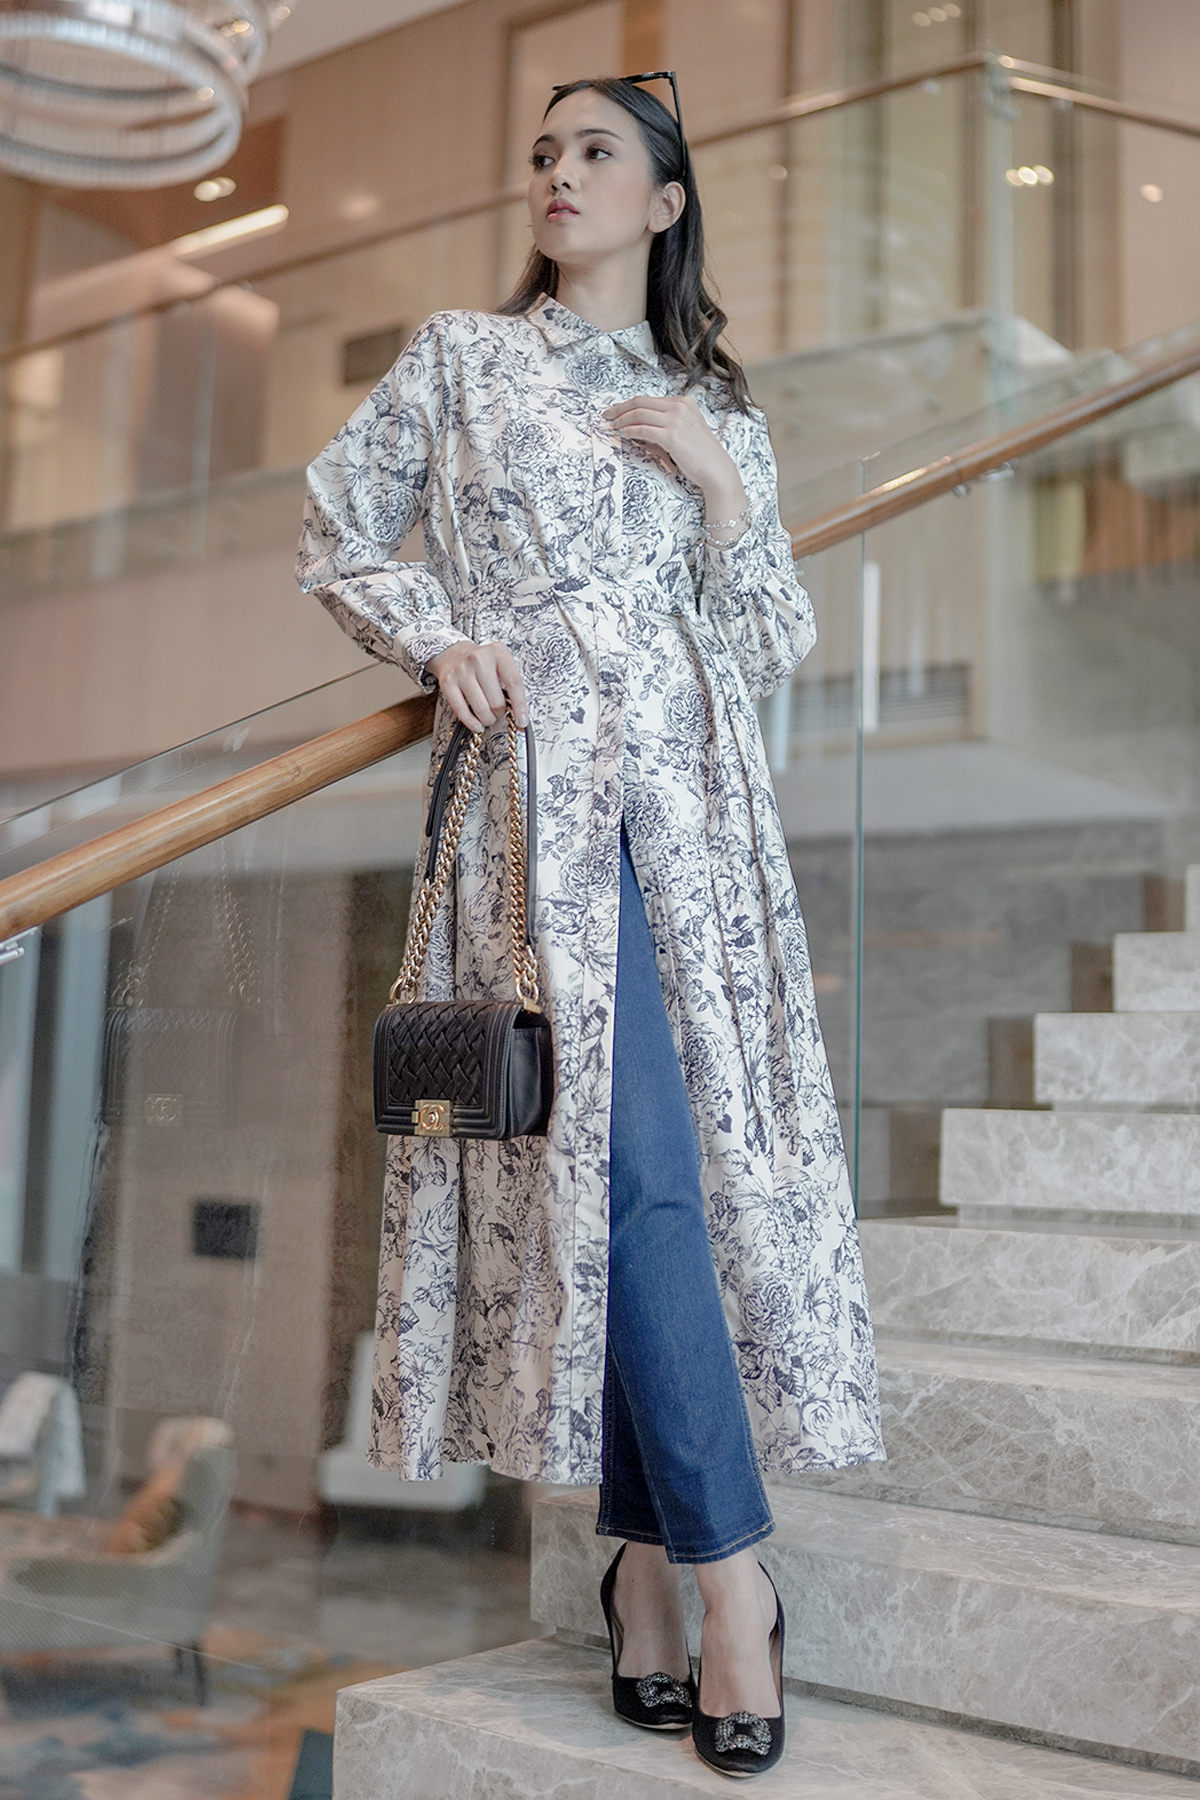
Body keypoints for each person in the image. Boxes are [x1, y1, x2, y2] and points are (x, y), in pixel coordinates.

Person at [297, 72, 883, 1779]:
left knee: (654, 1182)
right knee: (616, 1173)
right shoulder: (462, 360)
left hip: (697, 820)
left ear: (665, 200)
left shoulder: (714, 406)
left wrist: (723, 490)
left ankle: (640, 1562)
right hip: (534, 807)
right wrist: (434, 632)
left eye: (596, 151)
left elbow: (766, 642)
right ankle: (732, 1582)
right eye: (544, 150)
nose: (558, 172)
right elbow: (334, 524)